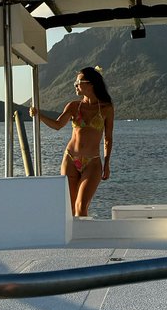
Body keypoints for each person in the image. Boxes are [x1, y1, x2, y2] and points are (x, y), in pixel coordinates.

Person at [30, 66, 114, 217]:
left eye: (79, 82)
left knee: (81, 207)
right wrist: (38, 115)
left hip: (92, 162)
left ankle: (84, 238)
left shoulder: (107, 108)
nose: (75, 85)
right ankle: (73, 238)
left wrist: (107, 164)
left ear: (91, 84)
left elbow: (108, 138)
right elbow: (57, 125)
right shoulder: (74, 106)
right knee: (70, 208)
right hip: (70, 159)